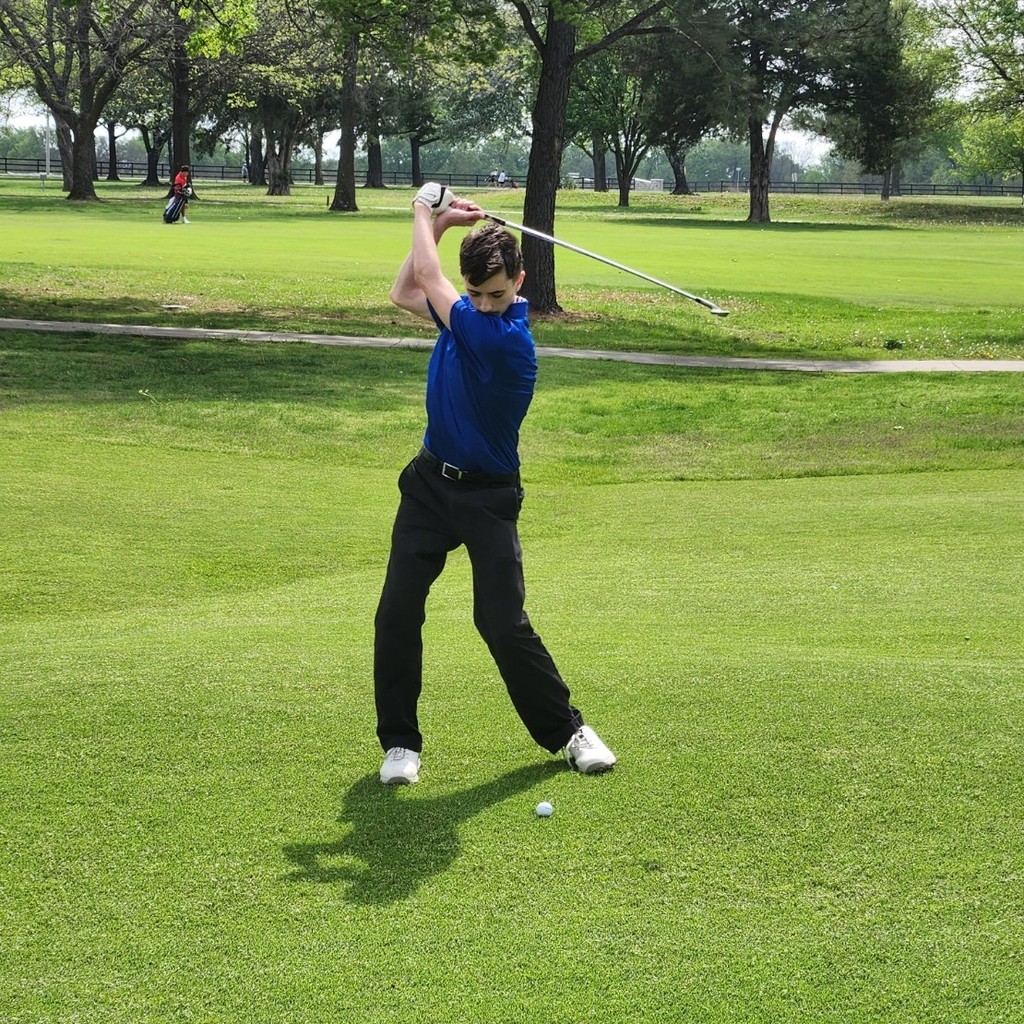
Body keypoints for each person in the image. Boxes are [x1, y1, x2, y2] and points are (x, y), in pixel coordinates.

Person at [375, 181, 617, 785]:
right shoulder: (464, 317)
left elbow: (428, 278)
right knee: (397, 611)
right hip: (429, 486)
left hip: (489, 497)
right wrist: (440, 227)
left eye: (498, 294)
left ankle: (570, 731)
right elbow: (406, 291)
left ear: (520, 283)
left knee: (502, 622)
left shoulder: (506, 342)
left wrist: (423, 209)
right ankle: (400, 744)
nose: (485, 305)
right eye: (476, 294)